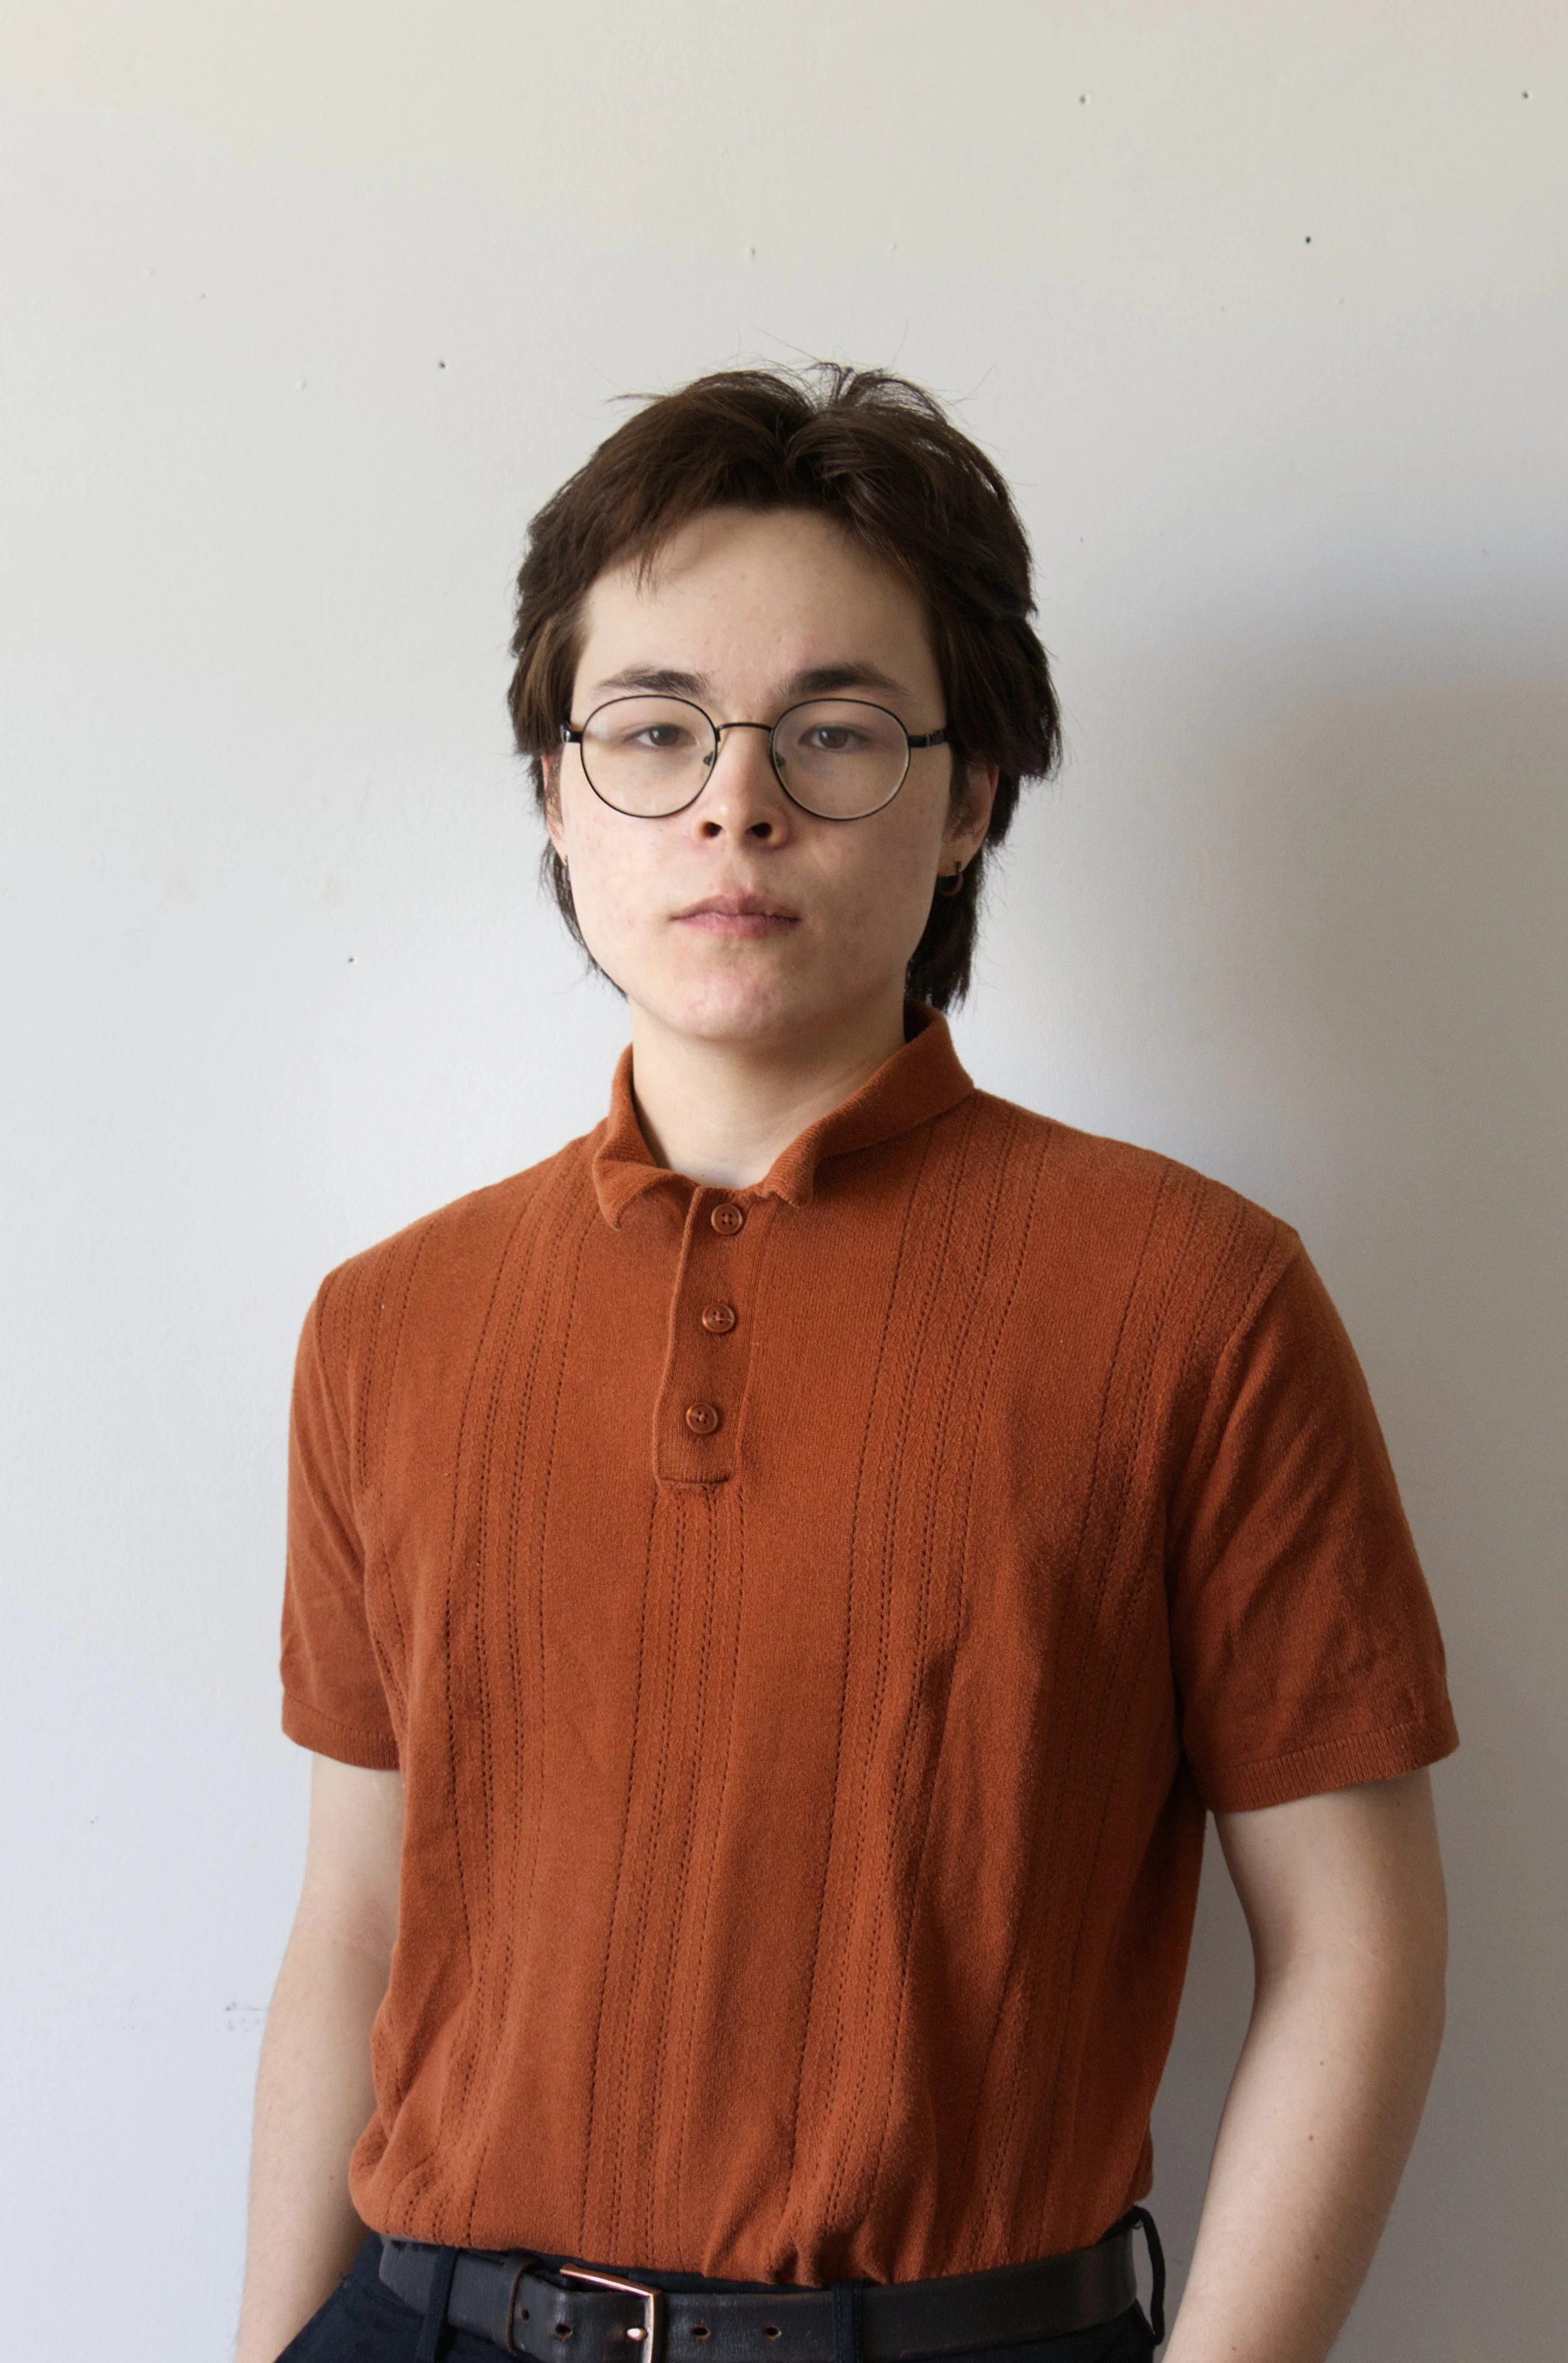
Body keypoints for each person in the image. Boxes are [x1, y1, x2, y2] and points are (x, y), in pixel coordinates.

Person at [235, 366, 1457, 2363]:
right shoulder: (385, 1320)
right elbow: (355, 1924)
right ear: (556, 790)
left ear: (971, 794)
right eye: (650, 729)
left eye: (835, 729)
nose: (736, 799)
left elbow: (1358, 1940)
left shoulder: (1195, 1297)